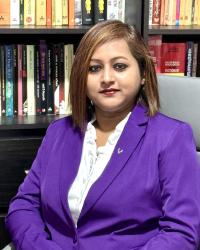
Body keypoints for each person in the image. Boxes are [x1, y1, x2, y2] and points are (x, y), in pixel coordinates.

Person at [5, 20, 200, 250]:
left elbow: (181, 232)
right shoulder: (58, 133)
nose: (106, 78)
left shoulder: (171, 137)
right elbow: (23, 205)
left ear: (143, 74)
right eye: (94, 68)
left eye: (119, 66)